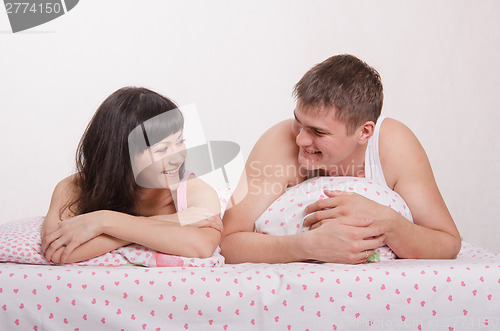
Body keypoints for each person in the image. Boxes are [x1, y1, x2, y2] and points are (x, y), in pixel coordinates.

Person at [221, 54, 461, 264]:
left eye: (318, 132)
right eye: (299, 121)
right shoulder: (280, 140)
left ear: (364, 132)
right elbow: (228, 242)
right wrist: (306, 246)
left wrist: (387, 223)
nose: (301, 140)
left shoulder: (394, 145)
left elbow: (448, 243)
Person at [41, 87, 222, 264]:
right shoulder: (74, 186)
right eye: (163, 149)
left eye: (180, 141)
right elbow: (58, 252)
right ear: (121, 156)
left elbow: (201, 247)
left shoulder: (195, 190)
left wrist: (104, 221)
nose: (177, 158)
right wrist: (167, 221)